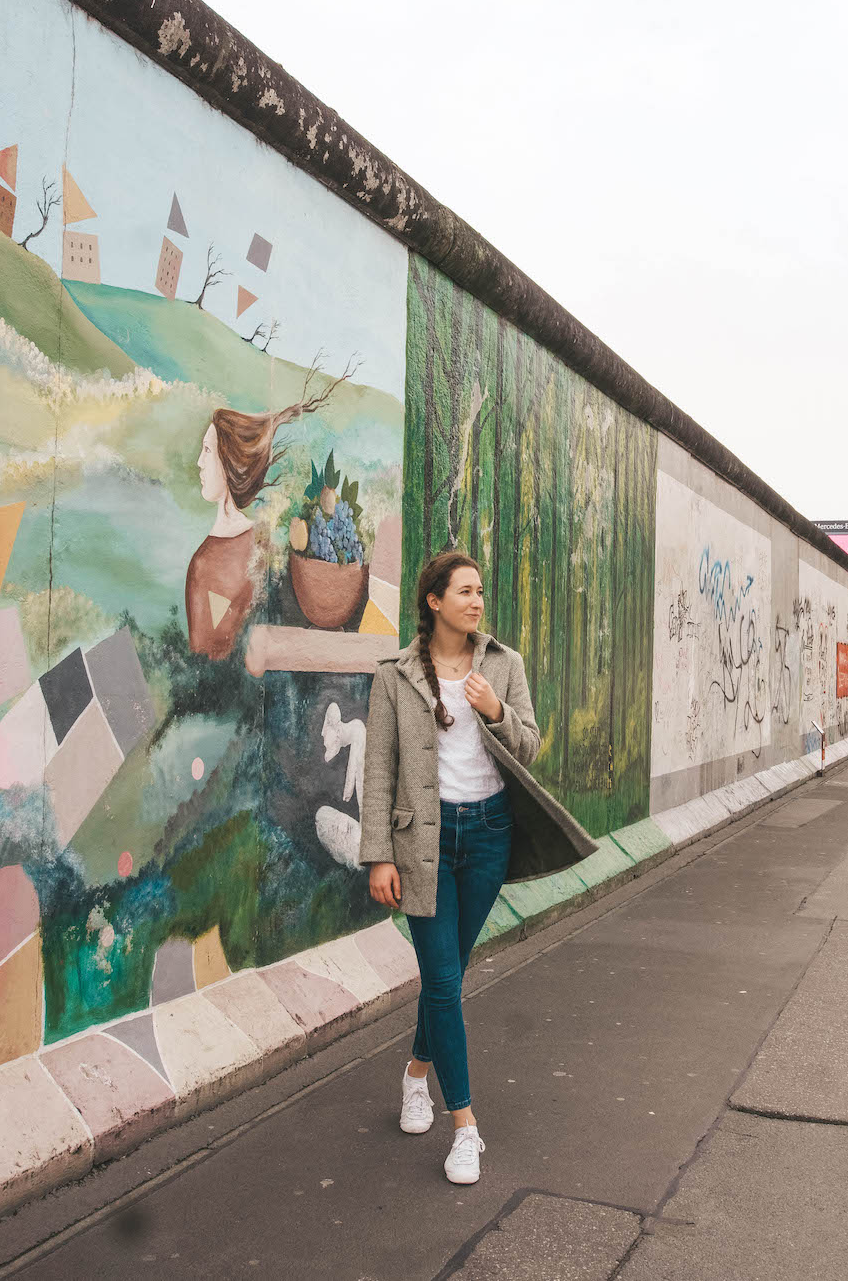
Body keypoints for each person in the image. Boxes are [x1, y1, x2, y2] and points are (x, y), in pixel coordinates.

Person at [360, 550, 596, 1185]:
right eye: (464, 591)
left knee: (449, 974)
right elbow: (378, 769)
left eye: (480, 591)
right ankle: (464, 1126)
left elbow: (530, 746)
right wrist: (379, 853)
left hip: (488, 834)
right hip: (423, 843)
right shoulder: (396, 677)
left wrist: (496, 709)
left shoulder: (503, 664)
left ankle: (415, 1072)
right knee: (443, 983)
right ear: (434, 601)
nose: (477, 601)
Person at [186, 364, 351, 659]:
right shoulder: (264, 542)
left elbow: (202, 658)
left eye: (207, 451)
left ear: (229, 463)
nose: (199, 462)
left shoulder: (205, 564)